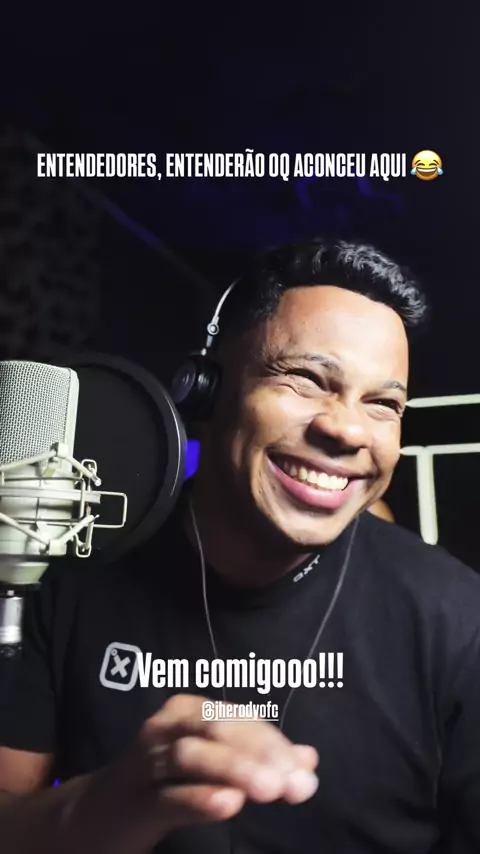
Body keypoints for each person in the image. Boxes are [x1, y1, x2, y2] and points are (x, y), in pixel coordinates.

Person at [1, 236, 480, 854]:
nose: (347, 429)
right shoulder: (63, 576)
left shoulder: (458, 617)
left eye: (383, 404)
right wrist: (100, 805)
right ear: (203, 389)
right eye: (305, 379)